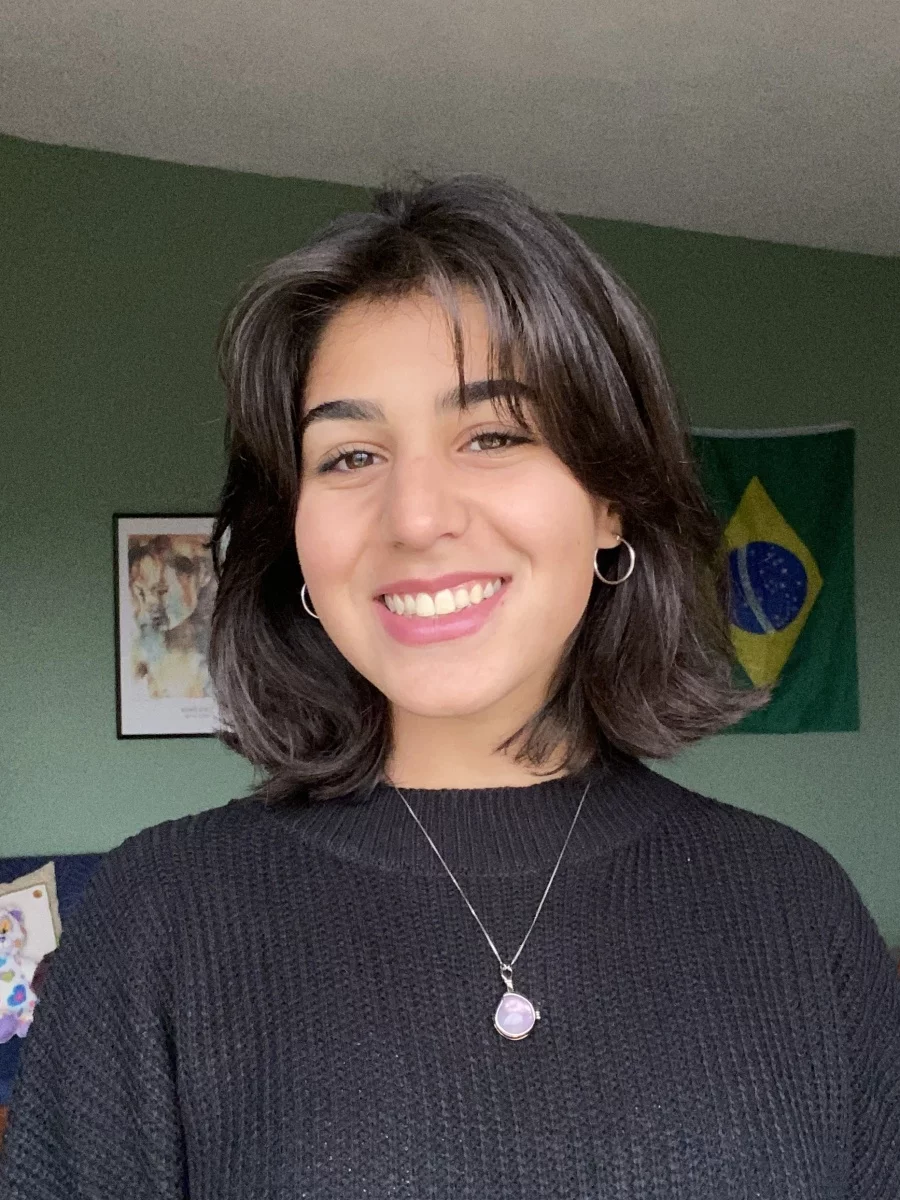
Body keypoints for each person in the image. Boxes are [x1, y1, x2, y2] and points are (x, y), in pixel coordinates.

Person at [2, 175, 898, 1199]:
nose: (417, 515)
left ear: (611, 501)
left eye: (494, 436)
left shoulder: (798, 910)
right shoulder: (157, 921)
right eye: (350, 455)